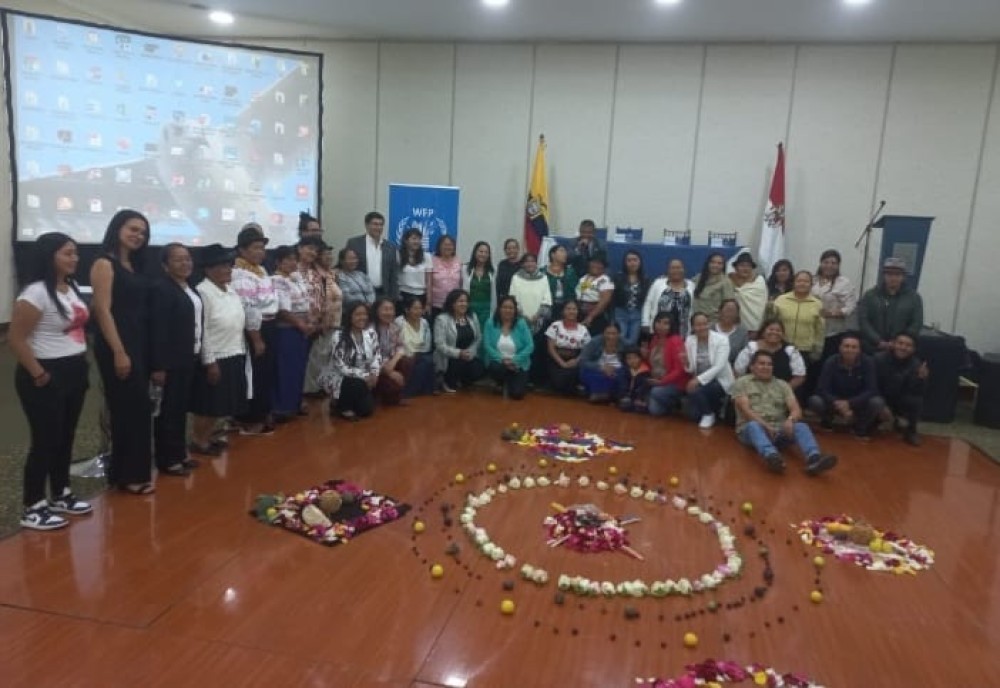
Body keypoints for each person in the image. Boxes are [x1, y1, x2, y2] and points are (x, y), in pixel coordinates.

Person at [10, 232, 92, 530]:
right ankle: (32, 505)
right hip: (44, 375)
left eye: (75, 253)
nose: (75, 259)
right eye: (67, 253)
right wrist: (39, 374)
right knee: (45, 440)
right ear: (50, 256)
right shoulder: (35, 293)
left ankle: (60, 493)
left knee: (65, 436)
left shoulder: (69, 287)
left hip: (74, 371)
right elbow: (15, 339)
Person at [90, 209, 154, 495]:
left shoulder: (135, 266)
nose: (138, 235)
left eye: (142, 232)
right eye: (132, 229)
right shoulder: (105, 264)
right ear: (117, 228)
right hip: (117, 343)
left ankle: (125, 472)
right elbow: (102, 310)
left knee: (138, 409)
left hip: (138, 342)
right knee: (129, 409)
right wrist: (118, 351)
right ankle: (129, 476)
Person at [732, 350, 838, 475]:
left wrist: (791, 420)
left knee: (801, 425)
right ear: (752, 367)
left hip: (779, 431)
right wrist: (765, 426)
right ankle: (772, 457)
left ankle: (814, 458)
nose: (766, 367)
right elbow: (746, 411)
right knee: (753, 426)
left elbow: (796, 408)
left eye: (769, 364)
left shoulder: (782, 384)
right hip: (751, 430)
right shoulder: (742, 382)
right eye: (761, 364)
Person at [190, 245, 248, 455]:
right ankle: (198, 440)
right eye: (222, 266)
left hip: (233, 351)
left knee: (222, 403)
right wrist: (210, 361)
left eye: (229, 265)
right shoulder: (203, 291)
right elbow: (202, 329)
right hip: (214, 356)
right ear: (208, 269)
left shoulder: (230, 290)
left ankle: (208, 437)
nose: (228, 269)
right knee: (208, 404)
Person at [150, 244, 202, 477]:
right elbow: (158, 330)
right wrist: (158, 365)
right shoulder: (161, 289)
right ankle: (167, 460)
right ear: (165, 265)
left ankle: (180, 453)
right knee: (168, 412)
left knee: (180, 409)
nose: (185, 263)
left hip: (188, 356)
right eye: (178, 260)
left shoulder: (188, 288)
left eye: (187, 258)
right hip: (170, 361)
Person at [230, 226, 278, 434]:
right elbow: (249, 308)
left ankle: (262, 411)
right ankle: (249, 419)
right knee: (254, 375)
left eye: (262, 248)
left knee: (266, 373)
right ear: (242, 250)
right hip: (255, 330)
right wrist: (256, 339)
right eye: (255, 248)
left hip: (269, 324)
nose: (260, 252)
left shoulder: (260, 270)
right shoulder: (240, 274)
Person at [808, 332, 885, 439]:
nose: (850, 350)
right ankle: (827, 421)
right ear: (840, 348)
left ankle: (859, 428)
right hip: (835, 402)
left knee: (877, 402)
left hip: (858, 402)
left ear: (859, 350)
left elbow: (872, 389)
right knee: (815, 401)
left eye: (854, 347)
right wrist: (837, 402)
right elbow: (821, 389)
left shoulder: (868, 362)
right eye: (846, 346)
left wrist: (849, 403)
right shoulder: (830, 362)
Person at [271, 246, 314, 422]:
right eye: (287, 259)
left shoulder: (296, 278)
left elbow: (306, 301)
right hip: (287, 329)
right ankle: (282, 408)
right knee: (285, 369)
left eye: (293, 259)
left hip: (302, 328)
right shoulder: (276, 280)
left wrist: (310, 320)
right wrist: (300, 324)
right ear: (278, 262)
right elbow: (282, 310)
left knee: (298, 368)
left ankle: (295, 403)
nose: (291, 262)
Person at [325, 301, 381, 420]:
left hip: (365, 377)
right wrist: (365, 375)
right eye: (357, 314)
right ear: (349, 316)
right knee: (356, 384)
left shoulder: (371, 333)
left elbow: (377, 356)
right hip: (343, 377)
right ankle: (342, 406)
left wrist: (375, 373)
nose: (362, 318)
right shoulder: (338, 335)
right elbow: (340, 366)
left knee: (366, 411)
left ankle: (349, 402)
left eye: (364, 314)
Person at [858, 257, 924, 355]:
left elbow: (916, 323)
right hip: (872, 347)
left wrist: (899, 343)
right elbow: (863, 321)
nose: (893, 278)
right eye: (889, 274)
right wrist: (878, 341)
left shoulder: (914, 298)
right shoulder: (870, 295)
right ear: (884, 275)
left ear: (903, 277)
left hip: (902, 351)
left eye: (897, 275)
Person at [874, 333, 928, 446]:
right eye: (900, 343)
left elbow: (915, 391)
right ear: (893, 344)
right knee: (873, 407)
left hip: (899, 397)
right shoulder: (878, 359)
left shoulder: (916, 364)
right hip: (880, 397)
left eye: (908, 345)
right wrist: (882, 406)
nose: (903, 347)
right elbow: (871, 385)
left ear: (913, 349)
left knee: (916, 401)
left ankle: (911, 431)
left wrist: (920, 379)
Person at [304, 242, 343, 395]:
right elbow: (318, 299)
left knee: (327, 356)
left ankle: (322, 386)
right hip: (322, 322)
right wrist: (322, 320)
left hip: (334, 321)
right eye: (325, 254)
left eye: (330, 254)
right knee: (316, 357)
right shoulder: (316, 274)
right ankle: (311, 389)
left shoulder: (331, 273)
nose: (329, 257)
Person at [684, 312, 735, 428]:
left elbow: (719, 366)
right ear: (693, 327)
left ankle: (709, 414)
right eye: (698, 325)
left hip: (719, 380)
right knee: (694, 416)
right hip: (701, 380)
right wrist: (686, 363)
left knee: (697, 391)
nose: (702, 327)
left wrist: (698, 380)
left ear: (709, 324)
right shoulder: (690, 340)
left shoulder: (722, 340)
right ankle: (714, 408)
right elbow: (691, 367)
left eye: (704, 324)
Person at [733, 319, 807, 398]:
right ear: (763, 332)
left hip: (781, 394)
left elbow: (799, 377)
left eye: (778, 330)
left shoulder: (790, 350)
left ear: (783, 334)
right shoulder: (751, 347)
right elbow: (737, 372)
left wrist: (782, 392)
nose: (774, 332)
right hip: (751, 392)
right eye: (771, 329)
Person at [509, 253, 552, 384]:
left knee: (536, 351)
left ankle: (534, 380)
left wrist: (537, 315)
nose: (529, 264)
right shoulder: (516, 278)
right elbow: (513, 299)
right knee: (520, 349)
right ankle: (518, 377)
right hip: (520, 320)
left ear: (536, 263)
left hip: (538, 320)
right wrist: (524, 316)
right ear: (522, 264)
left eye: (532, 261)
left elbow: (547, 299)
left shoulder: (543, 278)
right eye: (526, 262)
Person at [434, 289, 486, 393]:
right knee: (456, 368)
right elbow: (440, 344)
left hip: (468, 355)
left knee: (479, 368)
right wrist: (459, 353)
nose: (464, 304)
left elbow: (478, 337)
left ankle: (462, 380)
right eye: (460, 301)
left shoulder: (472, 317)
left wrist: (470, 352)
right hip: (449, 358)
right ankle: (443, 379)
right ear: (452, 303)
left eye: (466, 301)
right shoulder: (442, 319)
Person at [483, 295, 534, 400]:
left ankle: (509, 382)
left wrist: (515, 360)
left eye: (511, 308)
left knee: (517, 395)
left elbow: (530, 346)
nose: (507, 310)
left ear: (515, 310)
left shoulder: (521, 323)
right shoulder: (490, 323)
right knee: (496, 368)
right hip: (498, 362)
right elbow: (487, 345)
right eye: (504, 307)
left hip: (518, 365)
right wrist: (502, 360)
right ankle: (501, 382)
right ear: (499, 309)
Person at [771, 271, 825, 364]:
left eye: (806, 281)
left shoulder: (817, 304)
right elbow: (770, 322)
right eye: (799, 281)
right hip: (781, 346)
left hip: (805, 350)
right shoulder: (781, 300)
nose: (802, 284)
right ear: (793, 283)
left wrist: (817, 349)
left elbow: (820, 329)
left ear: (811, 284)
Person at [813, 249, 857, 360]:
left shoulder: (844, 282)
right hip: (812, 331)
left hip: (833, 333)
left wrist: (832, 313)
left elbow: (850, 307)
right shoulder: (813, 280)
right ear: (821, 263)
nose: (829, 266)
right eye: (826, 262)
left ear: (838, 265)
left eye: (833, 263)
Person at [644, 311, 690, 417]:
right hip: (655, 380)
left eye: (665, 323)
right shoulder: (654, 339)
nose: (661, 326)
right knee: (654, 410)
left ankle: (678, 401)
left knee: (656, 393)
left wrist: (661, 382)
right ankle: (671, 405)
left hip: (674, 383)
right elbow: (652, 363)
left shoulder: (676, 341)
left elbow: (679, 370)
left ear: (671, 326)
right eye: (658, 322)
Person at [346, 211, 398, 300]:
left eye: (381, 225)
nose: (378, 227)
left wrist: (393, 297)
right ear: (366, 225)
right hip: (361, 294)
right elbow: (347, 267)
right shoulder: (354, 243)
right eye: (375, 224)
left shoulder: (390, 247)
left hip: (383, 294)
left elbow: (393, 274)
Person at [544, 299, 591, 395]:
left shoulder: (583, 329)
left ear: (578, 311)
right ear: (563, 311)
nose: (571, 311)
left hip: (575, 360)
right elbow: (550, 348)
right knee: (559, 382)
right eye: (568, 309)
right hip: (556, 360)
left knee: (575, 374)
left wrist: (576, 361)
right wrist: (562, 363)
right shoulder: (555, 326)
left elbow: (587, 350)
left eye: (574, 309)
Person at [372, 297, 412, 406]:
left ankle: (395, 397)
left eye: (391, 309)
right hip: (373, 367)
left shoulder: (395, 327)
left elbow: (401, 347)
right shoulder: (369, 329)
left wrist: (393, 362)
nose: (389, 312)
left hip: (389, 362)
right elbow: (370, 357)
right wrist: (388, 371)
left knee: (407, 361)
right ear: (376, 311)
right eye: (385, 309)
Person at [395, 296, 436, 397]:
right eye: (415, 308)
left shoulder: (424, 323)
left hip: (421, 353)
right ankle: (409, 391)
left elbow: (427, 344)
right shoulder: (399, 322)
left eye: (420, 308)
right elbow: (397, 343)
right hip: (403, 355)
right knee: (425, 362)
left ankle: (420, 389)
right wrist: (409, 355)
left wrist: (418, 354)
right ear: (407, 309)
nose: (418, 311)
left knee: (427, 360)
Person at [643, 258, 694, 338]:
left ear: (684, 270)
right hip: (660, 331)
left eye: (678, 268)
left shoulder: (691, 285)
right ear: (668, 270)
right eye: (673, 268)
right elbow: (648, 303)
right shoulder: (658, 283)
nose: (676, 270)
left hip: (683, 332)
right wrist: (645, 323)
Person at [578, 321, 625, 403]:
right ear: (603, 333)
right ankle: (605, 395)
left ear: (619, 334)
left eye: (614, 333)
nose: (611, 336)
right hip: (597, 371)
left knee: (621, 376)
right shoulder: (594, 342)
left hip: (616, 372)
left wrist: (614, 370)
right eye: (608, 333)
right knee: (594, 375)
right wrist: (601, 367)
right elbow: (583, 361)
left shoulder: (625, 344)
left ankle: (602, 394)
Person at [612, 250, 650, 347]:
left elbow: (647, 300)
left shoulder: (646, 279)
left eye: (635, 260)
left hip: (637, 314)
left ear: (639, 262)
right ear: (625, 263)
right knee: (619, 340)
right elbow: (613, 298)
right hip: (621, 313)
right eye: (629, 260)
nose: (632, 263)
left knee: (632, 342)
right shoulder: (618, 277)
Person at [728, 252, 767, 336]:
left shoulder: (759, 281)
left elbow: (762, 303)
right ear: (736, 268)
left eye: (748, 266)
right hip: (732, 326)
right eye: (742, 265)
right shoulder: (728, 280)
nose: (745, 269)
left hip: (754, 327)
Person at [692, 252, 735, 326]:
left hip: (713, 324)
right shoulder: (698, 278)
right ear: (708, 263)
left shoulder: (726, 282)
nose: (715, 265)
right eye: (713, 262)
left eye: (719, 263)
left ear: (723, 266)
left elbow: (729, 307)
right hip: (695, 322)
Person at [576, 256, 615, 336]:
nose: (595, 265)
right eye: (593, 262)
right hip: (580, 313)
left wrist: (590, 317)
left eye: (599, 263)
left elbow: (604, 302)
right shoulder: (584, 278)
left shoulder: (605, 280)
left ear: (603, 266)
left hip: (596, 316)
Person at [463, 241, 496, 332]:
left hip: (486, 310)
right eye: (481, 251)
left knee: (484, 333)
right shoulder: (465, 269)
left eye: (486, 252)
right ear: (475, 252)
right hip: (469, 308)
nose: (483, 254)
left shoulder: (493, 271)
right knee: (470, 333)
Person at [397, 228, 432, 307]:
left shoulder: (427, 256)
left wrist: (429, 300)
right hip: (402, 294)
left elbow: (429, 281)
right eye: (414, 239)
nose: (417, 242)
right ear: (406, 240)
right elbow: (393, 277)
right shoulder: (398, 255)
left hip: (421, 295)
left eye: (419, 239)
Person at [430, 235, 462, 319]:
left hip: (454, 305)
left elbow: (461, 283)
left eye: (450, 245)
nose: (448, 247)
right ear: (439, 246)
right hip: (436, 305)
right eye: (445, 244)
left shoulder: (458, 261)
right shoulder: (432, 261)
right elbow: (428, 283)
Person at [544, 244, 578, 322]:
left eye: (565, 252)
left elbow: (575, 290)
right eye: (562, 251)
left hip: (566, 308)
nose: (565, 254)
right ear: (553, 255)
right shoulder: (543, 272)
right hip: (548, 307)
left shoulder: (570, 272)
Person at [713, 299, 748, 365]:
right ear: (720, 311)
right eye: (727, 310)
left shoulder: (742, 332)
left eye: (733, 311)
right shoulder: (709, 329)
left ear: (737, 314)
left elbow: (743, 355)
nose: (729, 314)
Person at [617, 346, 651, 413]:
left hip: (638, 396)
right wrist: (624, 395)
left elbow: (643, 387)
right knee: (624, 404)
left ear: (640, 358)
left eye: (635, 357)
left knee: (642, 406)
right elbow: (622, 385)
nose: (632, 361)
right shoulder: (624, 370)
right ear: (625, 360)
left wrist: (639, 398)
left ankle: (637, 404)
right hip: (625, 396)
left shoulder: (645, 371)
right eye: (629, 358)